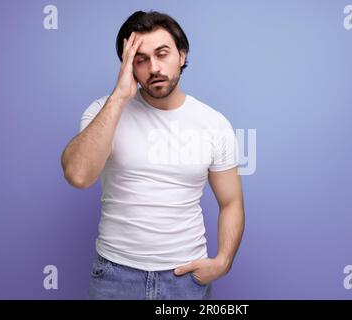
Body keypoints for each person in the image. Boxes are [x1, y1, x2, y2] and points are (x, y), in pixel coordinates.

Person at [61, 10, 245, 300]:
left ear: (182, 55)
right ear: (127, 65)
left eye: (162, 54)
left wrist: (223, 261)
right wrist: (120, 96)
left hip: (185, 279)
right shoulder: (102, 112)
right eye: (141, 59)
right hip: (115, 276)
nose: (154, 67)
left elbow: (232, 202)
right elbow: (79, 175)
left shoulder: (214, 123)